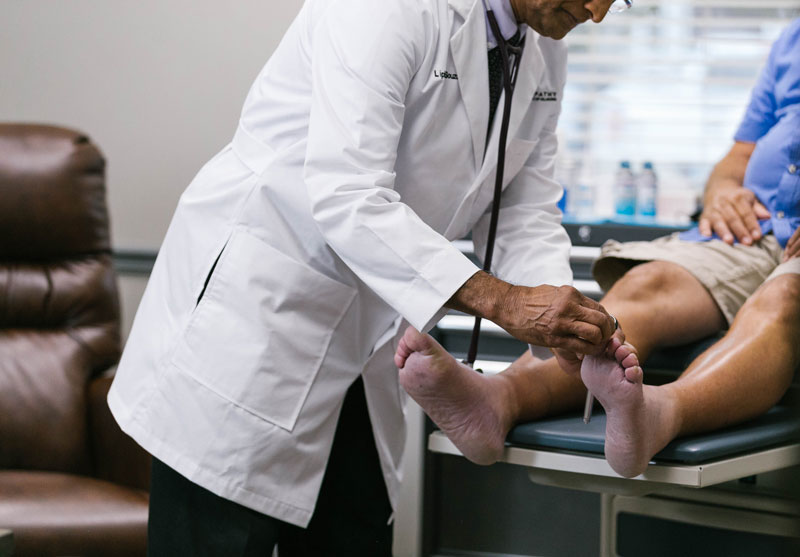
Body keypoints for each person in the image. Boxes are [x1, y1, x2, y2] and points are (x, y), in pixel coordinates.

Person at [108, 0, 625, 554]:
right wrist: (502, 301)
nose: (596, 12)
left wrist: (557, 312)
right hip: (261, 319)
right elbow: (347, 193)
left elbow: (523, 208)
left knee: (355, 530)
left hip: (371, 335)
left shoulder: (545, 47)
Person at [395, 17, 800, 479]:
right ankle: (499, 398)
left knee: (784, 297)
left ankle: (661, 412)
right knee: (647, 284)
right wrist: (724, 190)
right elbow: (737, 159)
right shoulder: (794, 39)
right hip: (755, 231)